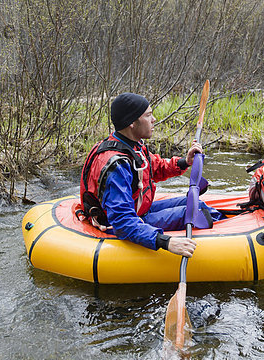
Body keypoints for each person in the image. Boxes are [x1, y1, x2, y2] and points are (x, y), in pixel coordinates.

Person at [80, 93, 223, 258]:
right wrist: (165, 241)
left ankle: (226, 220)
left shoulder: (133, 146)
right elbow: (122, 222)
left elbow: (156, 167)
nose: (154, 119)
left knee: (194, 202)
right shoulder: (117, 165)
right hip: (123, 221)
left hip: (139, 210)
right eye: (148, 115)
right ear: (132, 123)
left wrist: (185, 161)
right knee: (195, 212)